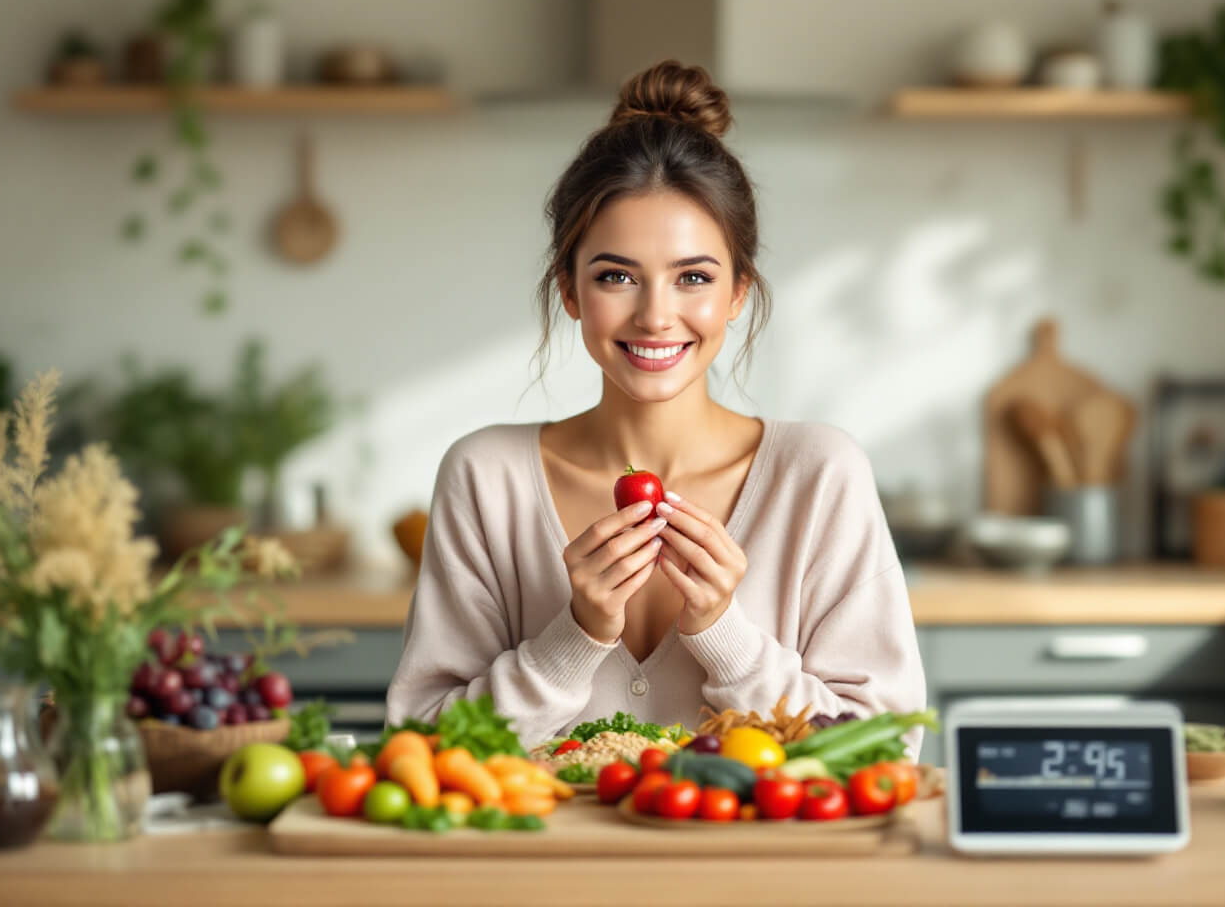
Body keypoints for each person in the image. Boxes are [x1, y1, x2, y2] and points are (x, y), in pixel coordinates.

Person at [386, 60, 926, 749]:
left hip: (754, 860)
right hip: (543, 860)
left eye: (693, 277)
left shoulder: (819, 474)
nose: (654, 316)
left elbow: (887, 748)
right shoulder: (484, 475)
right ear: (572, 291)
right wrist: (573, 638)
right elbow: (417, 745)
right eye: (616, 276)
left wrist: (723, 633)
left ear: (737, 294)